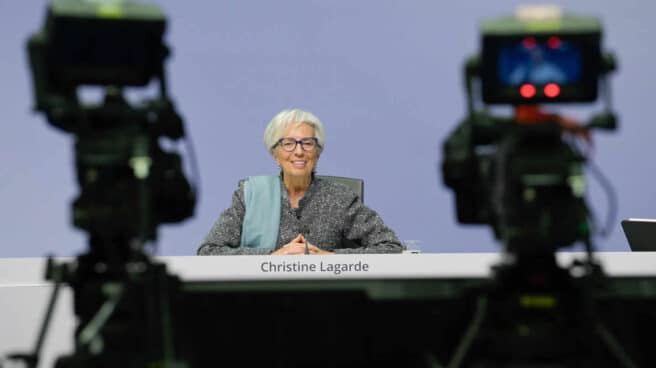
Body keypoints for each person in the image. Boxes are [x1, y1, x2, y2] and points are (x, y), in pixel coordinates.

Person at [198, 108, 403, 255]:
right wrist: (272, 257)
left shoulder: (340, 198)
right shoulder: (250, 195)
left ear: (318, 153)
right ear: (275, 154)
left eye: (307, 143)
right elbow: (209, 251)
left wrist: (329, 259)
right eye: (288, 144)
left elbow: (390, 247)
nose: (299, 151)